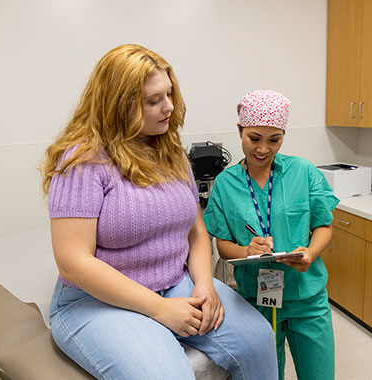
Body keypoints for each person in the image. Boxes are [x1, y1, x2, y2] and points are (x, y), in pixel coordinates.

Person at [40, 45, 277, 380]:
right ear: (118, 105)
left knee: (258, 340)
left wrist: (205, 284)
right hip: (94, 301)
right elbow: (73, 261)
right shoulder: (81, 161)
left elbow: (195, 229)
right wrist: (160, 310)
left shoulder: (171, 151)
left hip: (172, 281)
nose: (168, 107)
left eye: (169, 93)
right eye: (154, 100)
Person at [204, 90, 339, 380]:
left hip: (307, 297)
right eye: (254, 138)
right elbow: (222, 244)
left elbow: (324, 224)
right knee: (265, 375)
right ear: (240, 130)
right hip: (255, 300)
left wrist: (311, 252)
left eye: (274, 140)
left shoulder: (302, 172)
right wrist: (247, 251)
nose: (263, 149)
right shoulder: (226, 183)